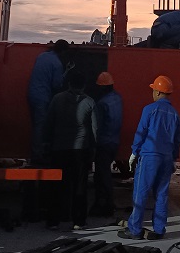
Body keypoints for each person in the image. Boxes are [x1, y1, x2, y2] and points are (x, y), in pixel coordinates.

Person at [118, 75, 180, 241]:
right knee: (161, 193)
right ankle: (159, 229)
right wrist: (173, 158)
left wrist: (134, 152)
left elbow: (141, 132)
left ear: (158, 92)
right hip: (166, 158)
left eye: (153, 90)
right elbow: (177, 140)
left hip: (150, 156)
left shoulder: (149, 109)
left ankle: (135, 229)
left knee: (141, 191)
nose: (152, 93)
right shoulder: (175, 114)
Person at [43, 69, 97, 231]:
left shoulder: (56, 99)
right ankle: (79, 221)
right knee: (79, 186)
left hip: (58, 149)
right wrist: (93, 150)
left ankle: (53, 221)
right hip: (80, 151)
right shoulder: (90, 102)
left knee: (56, 185)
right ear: (84, 85)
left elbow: (48, 123)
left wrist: (46, 144)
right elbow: (95, 130)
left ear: (69, 84)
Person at [27, 39, 70, 165]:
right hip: (42, 97)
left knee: (36, 125)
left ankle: (36, 153)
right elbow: (56, 85)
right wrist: (64, 75)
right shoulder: (57, 64)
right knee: (40, 127)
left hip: (31, 94)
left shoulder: (42, 56)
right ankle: (37, 156)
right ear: (63, 51)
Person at [91, 71, 123, 217]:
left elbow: (97, 127)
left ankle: (106, 205)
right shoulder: (118, 98)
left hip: (104, 143)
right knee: (104, 174)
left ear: (102, 87)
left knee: (102, 175)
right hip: (114, 141)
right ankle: (105, 203)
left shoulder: (101, 104)